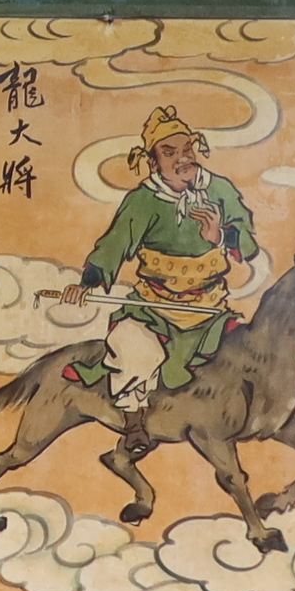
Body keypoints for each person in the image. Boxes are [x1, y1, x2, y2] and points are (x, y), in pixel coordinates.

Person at [78, 105, 258, 449]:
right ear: (153, 161)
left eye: (187, 149)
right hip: (153, 307)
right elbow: (114, 245)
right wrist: (87, 283)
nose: (182, 158)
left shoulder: (220, 190)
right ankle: (135, 425)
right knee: (135, 350)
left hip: (209, 308)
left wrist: (219, 236)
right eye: (170, 152)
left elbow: (248, 243)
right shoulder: (143, 201)